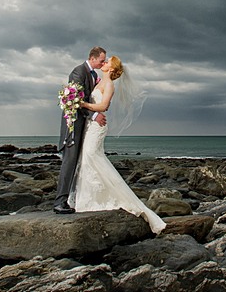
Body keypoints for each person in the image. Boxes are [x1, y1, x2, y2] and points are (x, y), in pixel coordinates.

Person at [68, 55, 166, 234]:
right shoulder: (98, 81)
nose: (104, 63)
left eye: (107, 62)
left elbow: (104, 106)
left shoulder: (109, 85)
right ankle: (87, 200)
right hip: (90, 125)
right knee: (87, 158)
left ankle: (113, 198)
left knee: (92, 155)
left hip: (97, 127)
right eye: (104, 61)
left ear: (111, 69)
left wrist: (82, 103)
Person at [53, 46, 107, 214]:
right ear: (92, 58)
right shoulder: (79, 72)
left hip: (84, 126)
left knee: (77, 163)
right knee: (69, 163)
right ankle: (59, 202)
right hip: (73, 125)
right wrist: (93, 115)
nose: (103, 62)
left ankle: (71, 199)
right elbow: (75, 100)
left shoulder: (94, 75)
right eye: (101, 60)